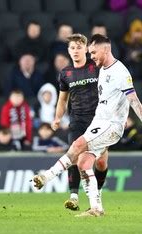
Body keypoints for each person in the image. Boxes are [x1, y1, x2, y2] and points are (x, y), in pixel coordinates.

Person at [32, 34, 142, 217]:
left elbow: (133, 99)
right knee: (84, 162)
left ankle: (46, 177)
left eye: (94, 52)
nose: (91, 57)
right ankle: (96, 208)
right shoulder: (102, 69)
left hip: (111, 124)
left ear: (106, 49)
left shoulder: (120, 72)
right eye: (90, 53)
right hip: (98, 121)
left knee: (77, 146)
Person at [49, 34, 108, 211]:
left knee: (101, 163)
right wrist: (58, 118)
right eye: (72, 48)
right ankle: (74, 196)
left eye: (79, 47)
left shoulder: (96, 67)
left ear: (86, 49)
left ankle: (97, 194)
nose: (75, 51)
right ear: (68, 51)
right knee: (74, 155)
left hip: (99, 120)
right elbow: (62, 100)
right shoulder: (65, 73)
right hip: (77, 121)